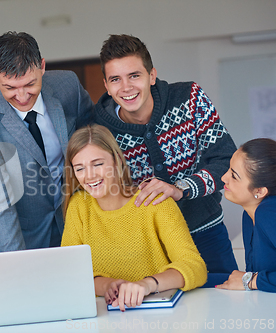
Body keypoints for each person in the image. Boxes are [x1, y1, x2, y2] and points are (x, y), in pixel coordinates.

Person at [93, 34, 238, 274]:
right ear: (107, 86)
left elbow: (227, 162)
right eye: (116, 79)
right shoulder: (99, 130)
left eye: (134, 75)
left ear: (151, 75)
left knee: (225, 301)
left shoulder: (190, 98)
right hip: (148, 245)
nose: (126, 87)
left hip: (206, 231)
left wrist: (181, 188)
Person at [0, 31, 93, 252]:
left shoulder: (68, 86)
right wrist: (15, 266)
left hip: (80, 222)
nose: (22, 97)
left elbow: (96, 140)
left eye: (30, 84)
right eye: (10, 88)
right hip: (22, 232)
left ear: (42, 66)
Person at [61, 124, 207, 311]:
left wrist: (147, 284)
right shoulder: (79, 206)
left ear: (116, 161)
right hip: (106, 320)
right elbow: (70, 272)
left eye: (98, 164)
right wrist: (107, 285)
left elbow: (195, 267)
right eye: (79, 168)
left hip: (161, 317)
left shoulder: (154, 200)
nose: (89, 176)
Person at [216, 138, 276, 292]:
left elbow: (251, 278)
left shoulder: (268, 213)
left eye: (234, 176)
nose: (224, 178)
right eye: (229, 169)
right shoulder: (249, 214)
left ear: (260, 191)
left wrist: (250, 281)